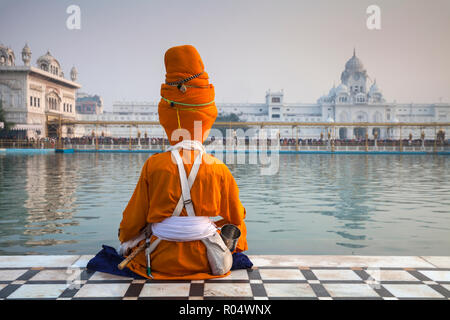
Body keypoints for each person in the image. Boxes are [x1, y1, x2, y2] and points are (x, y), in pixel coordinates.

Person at [117, 45, 248, 280]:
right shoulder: (218, 168)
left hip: (159, 259)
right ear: (207, 122)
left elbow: (132, 221)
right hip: (206, 258)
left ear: (166, 119)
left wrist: (130, 235)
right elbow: (236, 217)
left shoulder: (154, 165)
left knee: (127, 245)